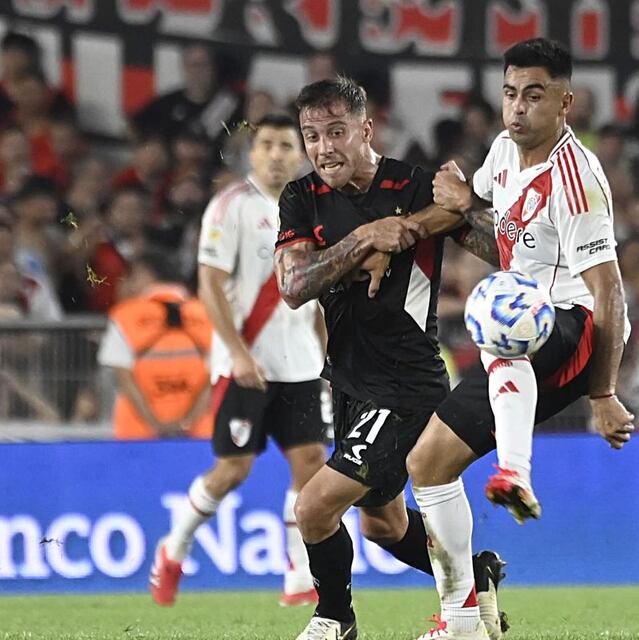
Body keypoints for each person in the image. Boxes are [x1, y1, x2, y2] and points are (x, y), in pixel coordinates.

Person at [403, 39, 634, 639]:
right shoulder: (503, 151)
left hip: (574, 325)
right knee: (427, 465)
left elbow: (609, 292)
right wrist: (409, 226)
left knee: (502, 312)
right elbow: (478, 209)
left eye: (534, 95)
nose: (518, 108)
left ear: (565, 102)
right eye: (510, 94)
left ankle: (516, 472)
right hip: (523, 330)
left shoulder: (577, 179)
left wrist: (604, 393)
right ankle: (463, 621)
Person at [274, 77, 505, 640]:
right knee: (384, 525)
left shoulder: (415, 184)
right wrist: (365, 240)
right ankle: (477, 575)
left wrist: (467, 205)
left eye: (336, 132)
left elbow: (502, 249)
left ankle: (334, 618)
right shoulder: (301, 197)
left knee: (313, 508)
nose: (324, 148)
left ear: (366, 129)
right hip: (349, 382)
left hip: (406, 383)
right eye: (312, 136)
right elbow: (294, 286)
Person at [148, 112, 329, 608]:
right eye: (267, 144)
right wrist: (236, 352)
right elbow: (209, 283)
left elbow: (316, 295)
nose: (276, 154)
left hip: (300, 363)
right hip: (246, 362)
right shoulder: (230, 206)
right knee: (233, 469)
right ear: (252, 153)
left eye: (286, 145)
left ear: (301, 154)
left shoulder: (317, 209)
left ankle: (299, 575)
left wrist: (327, 361)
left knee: (310, 466)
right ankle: (174, 547)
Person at [97, 251, 213, 440]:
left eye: (130, 277)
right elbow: (216, 379)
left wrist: (155, 425)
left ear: (145, 274)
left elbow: (125, 380)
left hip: (138, 437)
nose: (123, 284)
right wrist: (187, 422)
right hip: (200, 437)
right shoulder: (207, 313)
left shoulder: (124, 316)